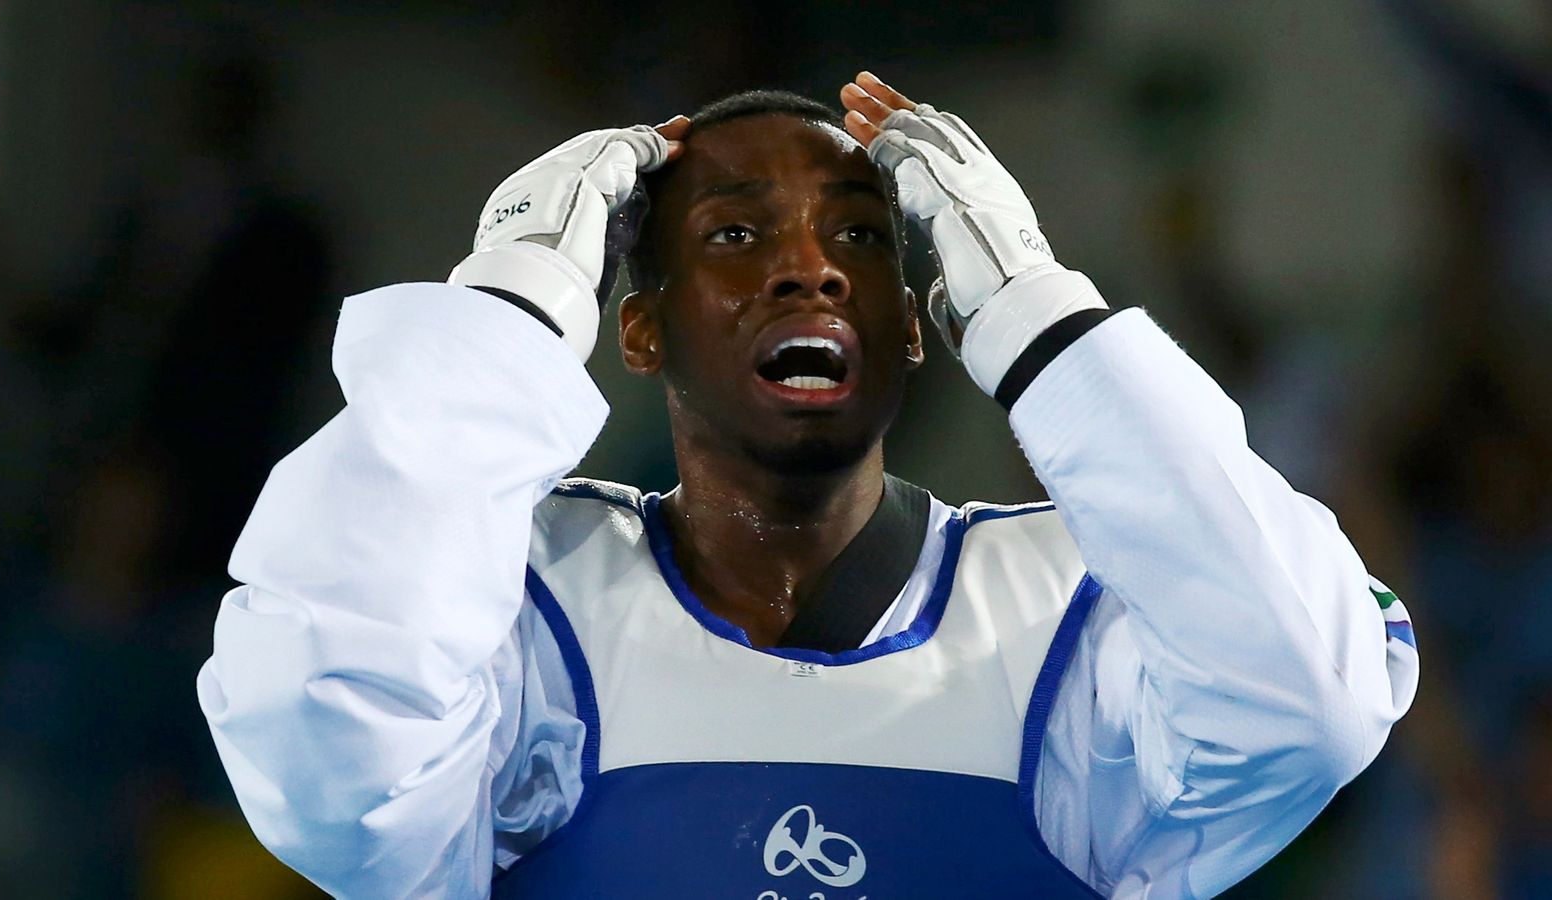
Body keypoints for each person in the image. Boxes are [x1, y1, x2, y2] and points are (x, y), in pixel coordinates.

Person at [197, 72, 1418, 898]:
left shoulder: (1069, 616)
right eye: (735, 235)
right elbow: (320, 733)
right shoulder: (513, 616)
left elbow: (1309, 698)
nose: (808, 273)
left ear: (919, 325)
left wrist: (1041, 315)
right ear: (637, 331)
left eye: (861, 239)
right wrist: (510, 305)